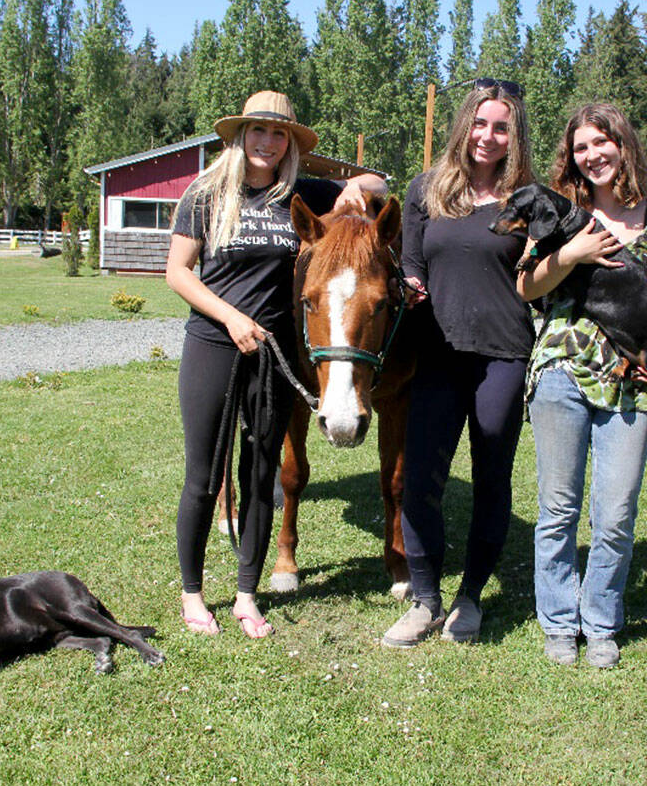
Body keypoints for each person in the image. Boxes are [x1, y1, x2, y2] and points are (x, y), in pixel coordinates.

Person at [167, 90, 384, 639]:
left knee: (261, 472)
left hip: (276, 352)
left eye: (278, 134)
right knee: (202, 474)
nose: (267, 142)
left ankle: (246, 594)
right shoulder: (206, 194)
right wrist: (231, 319)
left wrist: (357, 186)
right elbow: (178, 272)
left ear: (289, 144)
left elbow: (377, 185)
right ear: (240, 137)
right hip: (215, 344)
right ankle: (193, 595)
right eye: (258, 132)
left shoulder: (301, 192)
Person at [516, 102, 647, 668]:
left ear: (623, 145)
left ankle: (600, 622)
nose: (592, 155)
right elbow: (525, 287)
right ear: (571, 158)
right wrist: (574, 252)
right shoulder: (558, 214)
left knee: (615, 511)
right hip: (561, 372)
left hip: (631, 382)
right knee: (558, 507)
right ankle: (558, 623)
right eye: (580, 147)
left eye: (602, 142)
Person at [382, 78, 535, 647]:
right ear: (463, 124)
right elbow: (411, 263)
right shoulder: (428, 190)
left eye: (501, 127)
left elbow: (543, 277)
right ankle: (425, 600)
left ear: (513, 135)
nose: (487, 136)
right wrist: (411, 284)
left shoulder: (526, 199)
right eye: (479, 122)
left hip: (503, 354)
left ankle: (470, 597)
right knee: (420, 478)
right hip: (437, 353)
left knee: (492, 478)